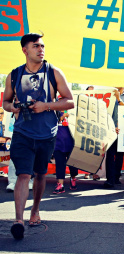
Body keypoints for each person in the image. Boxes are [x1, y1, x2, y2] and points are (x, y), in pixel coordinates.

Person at [3, 33, 74, 239]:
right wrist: (14, 107)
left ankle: (35, 210)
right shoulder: (14, 75)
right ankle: (18, 221)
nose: (41, 49)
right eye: (36, 46)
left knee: (41, 174)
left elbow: (70, 101)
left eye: (42, 46)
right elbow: (5, 103)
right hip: (22, 133)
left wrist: (46, 106)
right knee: (24, 174)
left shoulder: (53, 72)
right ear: (25, 50)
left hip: (46, 134)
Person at [103, 88, 124, 188]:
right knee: (110, 156)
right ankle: (110, 179)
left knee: (119, 156)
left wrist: (118, 98)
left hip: (122, 131)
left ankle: (116, 177)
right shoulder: (107, 95)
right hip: (110, 131)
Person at [52, 110, 79, 194]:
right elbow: (49, 123)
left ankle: (73, 178)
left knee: (73, 163)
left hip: (72, 141)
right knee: (60, 164)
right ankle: (60, 184)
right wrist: (62, 117)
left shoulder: (74, 109)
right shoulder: (54, 110)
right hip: (58, 142)